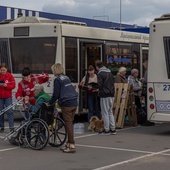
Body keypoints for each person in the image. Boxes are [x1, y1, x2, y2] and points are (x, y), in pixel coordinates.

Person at [48, 63, 78, 153]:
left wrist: (50, 102)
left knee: (68, 124)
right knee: (70, 123)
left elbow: (56, 94)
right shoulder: (66, 77)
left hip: (67, 103)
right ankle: (69, 143)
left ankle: (72, 144)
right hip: (74, 101)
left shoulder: (57, 79)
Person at [95, 60, 116, 135]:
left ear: (97, 67)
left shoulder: (100, 73)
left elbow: (99, 85)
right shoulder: (109, 72)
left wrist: (94, 87)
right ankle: (113, 129)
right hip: (111, 93)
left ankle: (106, 130)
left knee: (105, 113)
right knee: (110, 112)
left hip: (104, 94)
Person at [0, 63, 15, 132]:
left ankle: (11, 127)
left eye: (4, 70)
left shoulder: (10, 76)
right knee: (1, 112)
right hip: (0, 97)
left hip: (7, 96)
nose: (2, 71)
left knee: (9, 111)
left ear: (6, 69)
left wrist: (6, 86)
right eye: (1, 70)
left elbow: (13, 85)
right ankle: (1, 127)